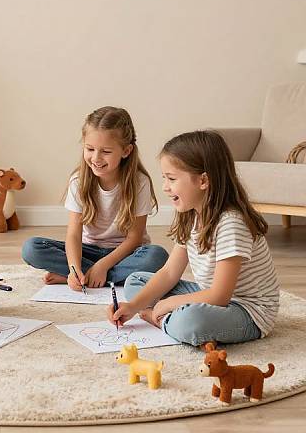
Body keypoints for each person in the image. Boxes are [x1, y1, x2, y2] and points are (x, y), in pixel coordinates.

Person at [109, 130, 279, 346]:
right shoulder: (191, 215)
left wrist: (168, 304)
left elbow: (220, 296)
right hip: (211, 296)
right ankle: (167, 315)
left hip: (247, 311)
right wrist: (132, 307)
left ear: (203, 181)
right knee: (136, 282)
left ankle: (160, 319)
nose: (165, 187)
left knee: (190, 322)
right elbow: (170, 272)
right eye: (165, 178)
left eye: (171, 179)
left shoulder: (231, 224)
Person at [22, 106, 168, 289]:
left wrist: (102, 266)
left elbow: (135, 238)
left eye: (106, 151)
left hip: (126, 254)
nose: (96, 158)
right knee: (32, 248)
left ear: (126, 151)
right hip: (88, 251)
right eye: (90, 149)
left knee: (156, 256)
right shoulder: (78, 181)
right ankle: (90, 276)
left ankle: (90, 275)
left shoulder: (140, 182)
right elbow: (74, 234)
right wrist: (74, 268)